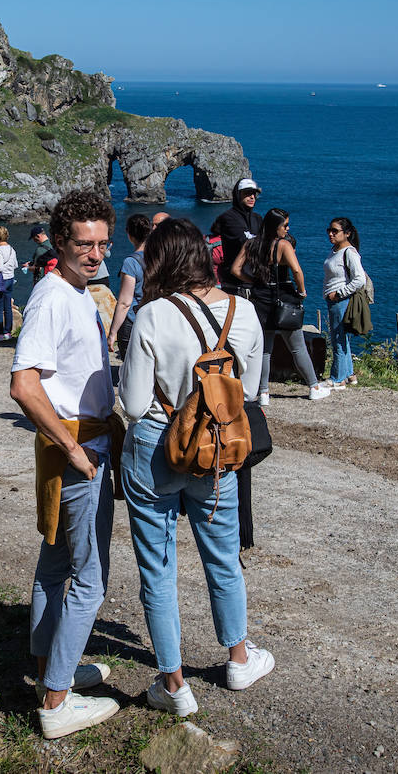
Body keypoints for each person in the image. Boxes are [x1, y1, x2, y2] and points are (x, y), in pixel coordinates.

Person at [118, 217, 274, 716]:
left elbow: (135, 402)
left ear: (159, 261)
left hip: (156, 446)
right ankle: (238, 660)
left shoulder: (152, 314)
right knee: (223, 559)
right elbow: (246, 395)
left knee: (157, 569)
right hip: (214, 451)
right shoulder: (244, 313)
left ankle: (174, 685)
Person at [8, 188, 121, 740]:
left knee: (54, 560)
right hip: (78, 449)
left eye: (102, 243)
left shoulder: (77, 291)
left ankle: (47, 667)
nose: (96, 254)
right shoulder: (53, 297)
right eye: (84, 244)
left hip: (74, 445)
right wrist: (75, 450)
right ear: (60, 242)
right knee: (89, 577)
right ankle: (56, 701)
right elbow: (23, 385)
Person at [229, 208, 331, 404]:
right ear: (276, 226)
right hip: (283, 298)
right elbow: (297, 271)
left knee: (265, 349)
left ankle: (264, 392)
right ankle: (313, 386)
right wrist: (301, 292)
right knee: (297, 347)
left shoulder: (252, 244)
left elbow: (235, 269)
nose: (287, 228)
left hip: (260, 299)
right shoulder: (283, 245)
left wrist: (251, 280)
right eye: (285, 225)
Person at [323, 217, 367, 389]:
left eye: (335, 231)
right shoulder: (336, 250)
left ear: (347, 233)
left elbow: (359, 280)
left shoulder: (349, 252)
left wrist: (338, 294)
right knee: (341, 338)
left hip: (341, 301)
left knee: (338, 339)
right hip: (335, 300)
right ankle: (349, 374)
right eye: (329, 230)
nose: (331, 233)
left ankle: (337, 378)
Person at [106, 213, 153, 359]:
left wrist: (112, 333)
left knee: (130, 367)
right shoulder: (160, 258)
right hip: (155, 319)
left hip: (133, 321)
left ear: (129, 234)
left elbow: (125, 302)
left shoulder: (130, 262)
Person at [210, 177, 263, 298]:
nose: (252, 197)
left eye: (254, 194)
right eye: (247, 193)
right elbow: (243, 241)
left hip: (254, 283)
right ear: (238, 195)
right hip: (235, 285)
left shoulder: (258, 219)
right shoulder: (228, 218)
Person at [0, 225, 19, 341]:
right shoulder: (12, 249)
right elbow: (15, 265)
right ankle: (8, 332)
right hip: (11, 279)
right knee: (7, 307)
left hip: (1, 280)